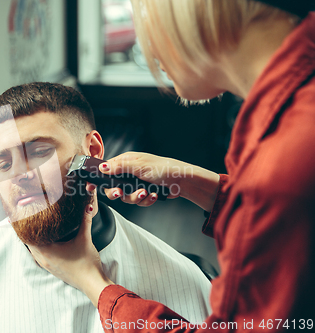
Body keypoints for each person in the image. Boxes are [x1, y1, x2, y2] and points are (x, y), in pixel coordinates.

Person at [26, 1, 315, 332]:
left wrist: (94, 283)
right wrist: (193, 181)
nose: (143, 39)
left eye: (146, 11)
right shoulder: (289, 120)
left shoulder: (288, 157)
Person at [0, 82, 212, 333]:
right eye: (3, 163)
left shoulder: (184, 279)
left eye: (38, 152)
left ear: (91, 151)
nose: (18, 176)